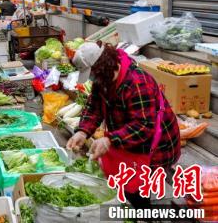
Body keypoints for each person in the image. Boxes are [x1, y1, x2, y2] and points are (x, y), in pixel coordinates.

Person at [66, 43, 181, 209]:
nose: (91, 80)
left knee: (138, 193)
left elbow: (143, 126)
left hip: (154, 147)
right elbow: (94, 107)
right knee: (121, 185)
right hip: (127, 140)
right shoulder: (103, 79)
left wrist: (109, 140)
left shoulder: (137, 83)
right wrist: (83, 132)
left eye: (91, 75)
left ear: (101, 67)